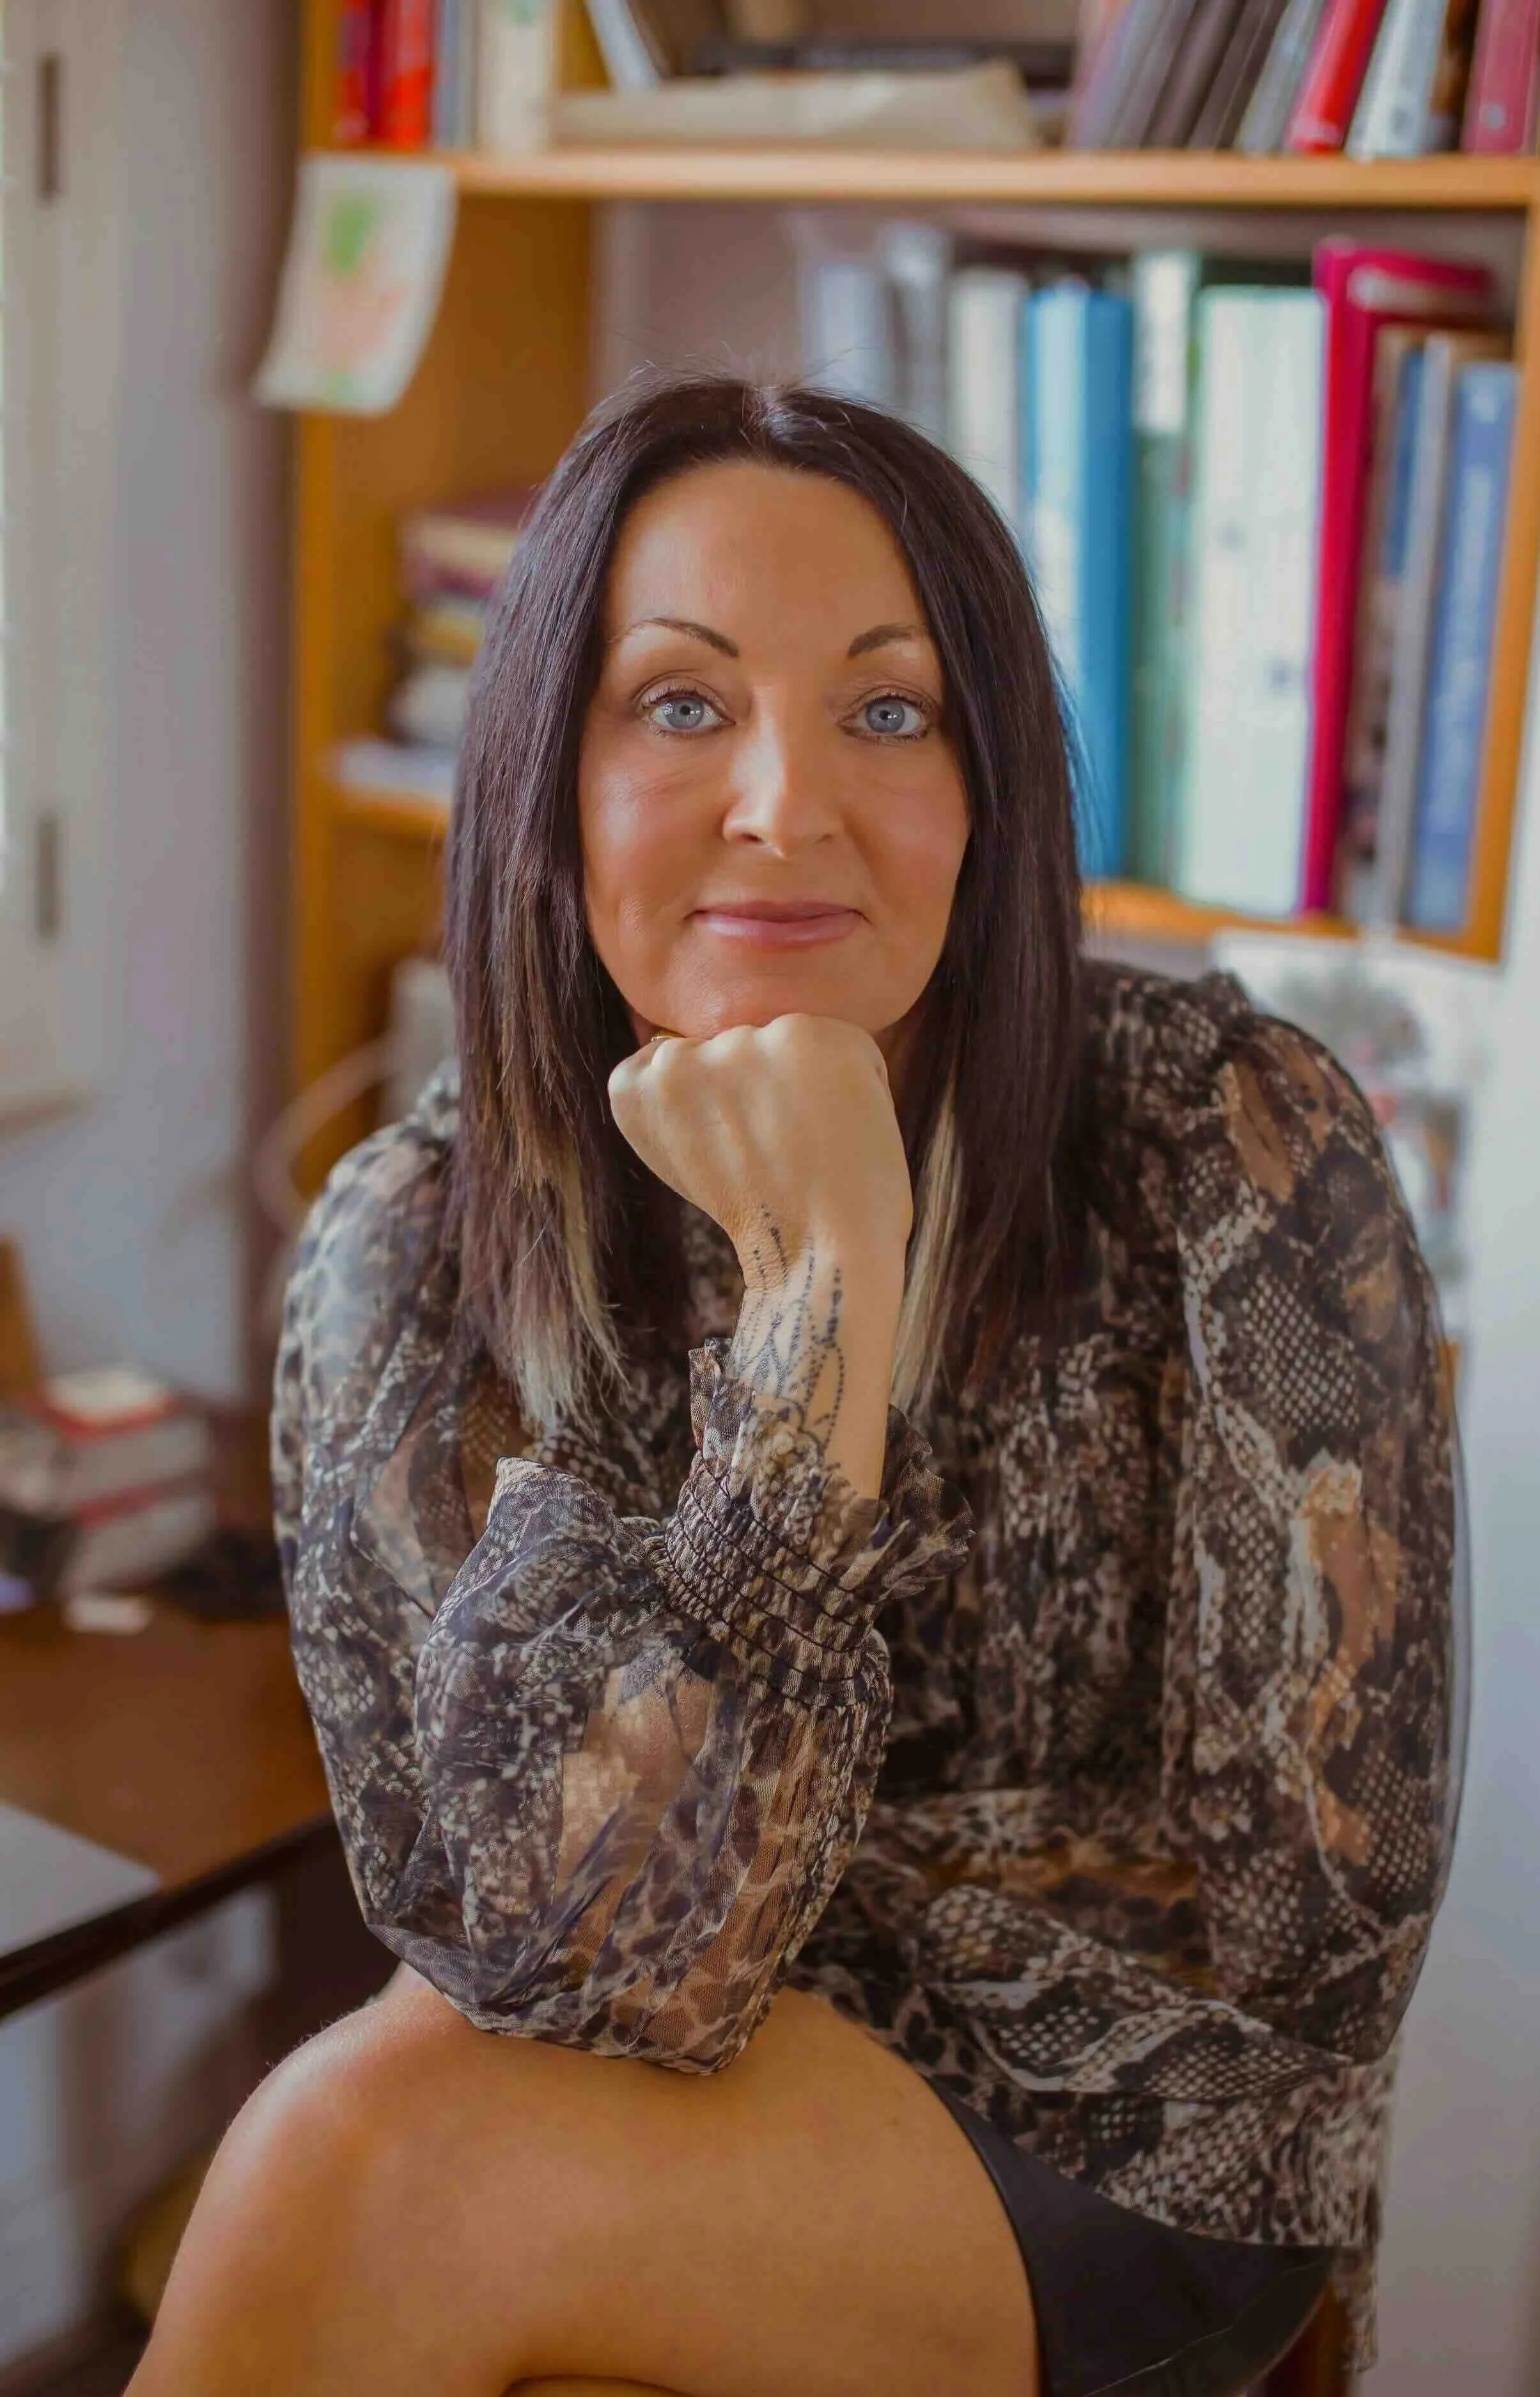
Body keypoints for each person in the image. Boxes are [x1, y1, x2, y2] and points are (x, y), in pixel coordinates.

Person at [130, 375, 1456, 2397]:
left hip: (1137, 2129)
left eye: (889, 707)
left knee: (360, 2168)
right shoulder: (408, 1241)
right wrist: (808, 1325)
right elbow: (525, 1950)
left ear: (986, 781)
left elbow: (1313, 1931)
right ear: (546, 775)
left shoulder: (1226, 1136)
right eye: (680, 702)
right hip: (614, 2070)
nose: (783, 799)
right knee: (407, 2169)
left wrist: (832, 1263)